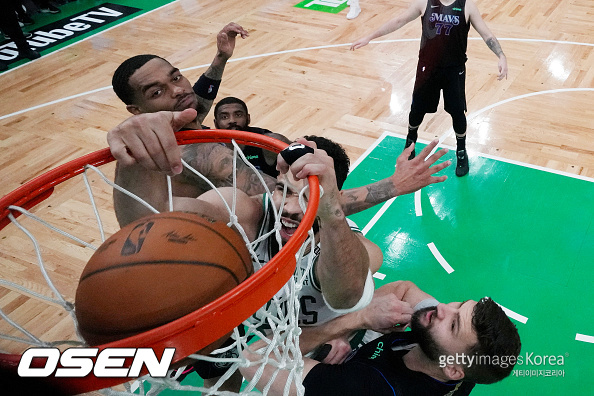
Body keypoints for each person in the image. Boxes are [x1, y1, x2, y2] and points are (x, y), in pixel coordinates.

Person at [241, 280, 522, 395]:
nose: (441, 308)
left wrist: (353, 322)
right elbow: (403, 289)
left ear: (452, 368)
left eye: (452, 324)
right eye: (458, 304)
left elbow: (252, 358)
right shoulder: (464, 363)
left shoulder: (369, 388)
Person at [351, 0, 508, 177]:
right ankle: (410, 143)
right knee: (417, 110)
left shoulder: (467, 6)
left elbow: (487, 34)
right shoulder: (424, 3)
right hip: (427, 68)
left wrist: (501, 55)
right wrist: (369, 37)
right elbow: (398, 21)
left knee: (457, 113)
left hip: (454, 70)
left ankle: (461, 151)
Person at [212, 96, 290, 177]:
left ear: (248, 118)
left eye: (238, 115)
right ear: (216, 123)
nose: (232, 120)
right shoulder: (209, 148)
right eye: (224, 117)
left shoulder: (270, 141)